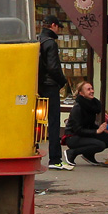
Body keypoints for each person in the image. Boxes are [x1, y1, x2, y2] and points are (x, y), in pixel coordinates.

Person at [38, 17, 71, 170]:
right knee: (53, 122)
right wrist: (62, 81)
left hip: (38, 86)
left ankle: (34, 151)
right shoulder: (50, 43)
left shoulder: (37, 41)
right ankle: (55, 159)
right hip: (50, 86)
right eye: (58, 27)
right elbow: (53, 67)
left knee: (37, 121)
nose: (58, 30)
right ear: (53, 25)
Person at [64, 80, 108, 165]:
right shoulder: (77, 108)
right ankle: (72, 152)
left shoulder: (92, 105)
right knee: (100, 145)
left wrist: (102, 129)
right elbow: (78, 130)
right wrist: (96, 131)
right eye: (88, 89)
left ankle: (88, 155)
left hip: (85, 134)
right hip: (73, 137)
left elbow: (90, 124)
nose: (92, 91)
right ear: (81, 93)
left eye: (92, 88)